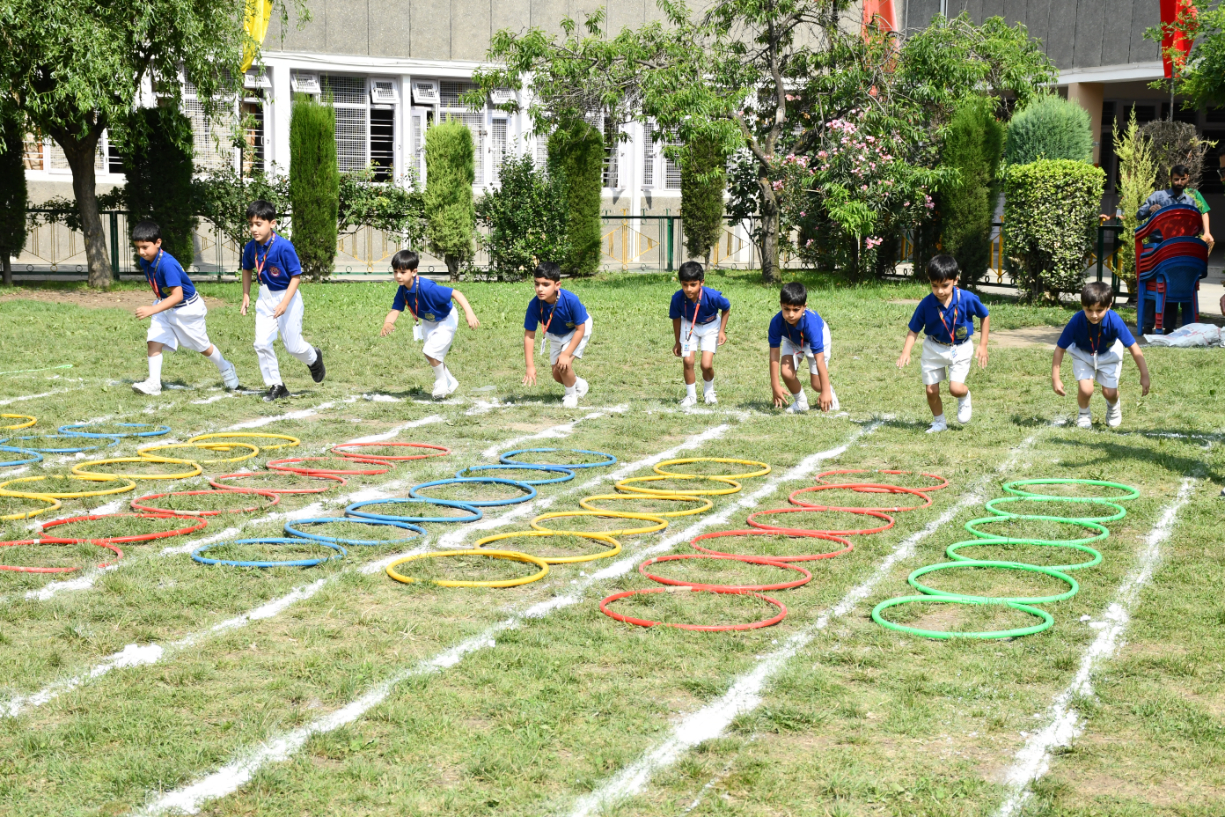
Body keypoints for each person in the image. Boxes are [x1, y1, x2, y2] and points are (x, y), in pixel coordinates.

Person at [130, 220, 240, 396]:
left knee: (202, 346)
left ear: (158, 243)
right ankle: (153, 383)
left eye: (145, 247)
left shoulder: (167, 264)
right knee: (154, 340)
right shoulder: (147, 261)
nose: (141, 252)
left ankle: (226, 367)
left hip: (187, 309)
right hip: (165, 305)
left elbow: (178, 296)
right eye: (137, 248)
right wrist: (158, 307)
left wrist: (151, 310)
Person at [240, 200, 325, 402]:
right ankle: (277, 385)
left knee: (293, 347)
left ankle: (314, 358)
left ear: (273, 223)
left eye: (258, 224)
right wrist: (246, 294)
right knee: (261, 343)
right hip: (265, 297)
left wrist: (285, 303)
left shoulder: (284, 246)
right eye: (251, 224)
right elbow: (247, 269)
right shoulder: (250, 247)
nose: (254, 228)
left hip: (288, 297)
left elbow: (296, 277)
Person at [896, 254, 989, 433]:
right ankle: (939, 422)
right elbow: (914, 329)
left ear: (955, 280)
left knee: (955, 389)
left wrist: (983, 344)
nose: (939, 291)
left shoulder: (967, 298)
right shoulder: (926, 304)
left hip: (960, 348)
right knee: (931, 391)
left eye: (945, 285)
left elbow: (985, 315)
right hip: (933, 348)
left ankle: (964, 396)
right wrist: (906, 351)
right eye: (934, 285)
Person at [379, 249, 480, 398]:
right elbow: (395, 309)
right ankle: (450, 381)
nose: (398, 276)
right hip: (429, 320)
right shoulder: (402, 291)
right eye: (395, 272)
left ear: (414, 272)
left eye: (402, 272)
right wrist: (388, 322)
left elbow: (455, 293)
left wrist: (469, 313)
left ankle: (441, 382)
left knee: (430, 352)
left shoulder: (427, 288)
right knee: (432, 355)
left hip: (446, 319)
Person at [1052, 281, 1150, 429]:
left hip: (1109, 354)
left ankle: (1113, 407)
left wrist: (1144, 374)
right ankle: (1084, 414)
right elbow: (1060, 349)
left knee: (1109, 393)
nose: (1094, 315)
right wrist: (1055, 378)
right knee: (1086, 390)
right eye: (1089, 310)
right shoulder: (1076, 321)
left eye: (1099, 310)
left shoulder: (1115, 320)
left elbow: (1133, 347)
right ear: (1082, 305)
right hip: (1082, 354)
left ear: (1109, 305)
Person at [1136, 165, 1211, 333]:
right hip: (1157, 247)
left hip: (1178, 250)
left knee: (1174, 281)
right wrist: (1150, 209)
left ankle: (1169, 326)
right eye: (1176, 179)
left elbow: (1195, 228)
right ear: (1170, 179)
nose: (1179, 182)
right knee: (1153, 280)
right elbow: (1139, 214)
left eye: (1182, 179)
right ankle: (1148, 324)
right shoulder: (1158, 196)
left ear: (1187, 178)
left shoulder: (1190, 201)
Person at [522, 262, 591, 409]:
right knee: (557, 375)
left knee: (563, 364)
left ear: (557, 285)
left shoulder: (571, 300)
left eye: (545, 284)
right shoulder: (534, 305)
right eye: (537, 284)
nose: (540, 289)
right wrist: (530, 365)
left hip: (578, 330)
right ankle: (580, 385)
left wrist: (566, 353)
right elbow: (529, 335)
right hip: (555, 334)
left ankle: (571, 396)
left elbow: (581, 329)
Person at [768, 281, 837, 413]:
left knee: (817, 385)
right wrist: (775, 385)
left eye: (796, 309)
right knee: (786, 372)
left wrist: (825, 391)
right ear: (781, 305)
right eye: (786, 309)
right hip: (791, 338)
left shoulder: (812, 326)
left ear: (804, 307)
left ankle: (830, 394)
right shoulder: (776, 323)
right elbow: (774, 355)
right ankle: (801, 403)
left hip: (815, 340)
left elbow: (820, 360)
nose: (791, 314)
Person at [670, 261, 731, 407]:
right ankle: (691, 396)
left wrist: (722, 331)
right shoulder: (677, 298)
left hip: (710, 327)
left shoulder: (712, 296)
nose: (688, 289)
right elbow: (676, 318)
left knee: (706, 365)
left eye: (693, 285)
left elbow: (726, 308)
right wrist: (678, 341)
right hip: (688, 326)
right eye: (685, 284)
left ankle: (709, 392)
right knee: (688, 361)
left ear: (701, 282)